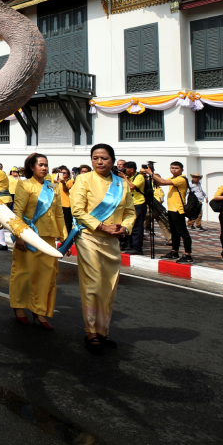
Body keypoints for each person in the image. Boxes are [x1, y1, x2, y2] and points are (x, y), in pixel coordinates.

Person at [70, 143, 136, 355]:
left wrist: (124, 228)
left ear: (112, 160)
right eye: (95, 158)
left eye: (104, 158)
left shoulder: (121, 184)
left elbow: (130, 212)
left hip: (112, 240)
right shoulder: (83, 179)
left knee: (109, 285)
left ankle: (102, 331)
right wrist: (100, 225)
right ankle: (90, 332)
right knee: (93, 282)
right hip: (89, 236)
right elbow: (77, 211)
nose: (99, 162)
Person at [10, 153, 66, 329]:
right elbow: (17, 211)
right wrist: (18, 235)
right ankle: (19, 306)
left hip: (48, 239)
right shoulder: (24, 185)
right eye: (40, 164)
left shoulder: (53, 188)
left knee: (46, 276)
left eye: (46, 165)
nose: (44, 168)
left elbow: (59, 214)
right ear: (32, 167)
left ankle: (39, 310)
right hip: (29, 237)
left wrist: (64, 239)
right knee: (24, 273)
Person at [146, 161, 193, 263]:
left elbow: (162, 182)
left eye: (176, 168)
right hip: (172, 209)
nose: (174, 170)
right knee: (174, 232)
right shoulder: (173, 179)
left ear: (182, 170)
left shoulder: (181, 179)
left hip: (178, 210)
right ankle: (174, 251)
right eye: (172, 168)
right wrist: (150, 173)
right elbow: (159, 182)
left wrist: (151, 174)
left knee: (183, 232)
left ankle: (188, 255)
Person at [123, 162, 146, 255]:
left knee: (137, 226)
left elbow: (132, 186)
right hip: (130, 204)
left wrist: (124, 177)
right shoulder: (128, 177)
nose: (124, 171)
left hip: (139, 204)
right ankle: (130, 245)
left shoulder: (139, 177)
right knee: (130, 225)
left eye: (126, 169)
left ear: (132, 169)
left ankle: (137, 248)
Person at [54, 166, 74, 234]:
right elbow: (53, 182)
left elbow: (65, 190)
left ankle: (68, 235)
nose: (62, 174)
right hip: (59, 204)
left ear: (68, 175)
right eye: (61, 173)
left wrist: (63, 183)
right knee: (59, 221)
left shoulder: (70, 181)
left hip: (66, 204)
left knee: (67, 221)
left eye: (64, 173)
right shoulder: (58, 182)